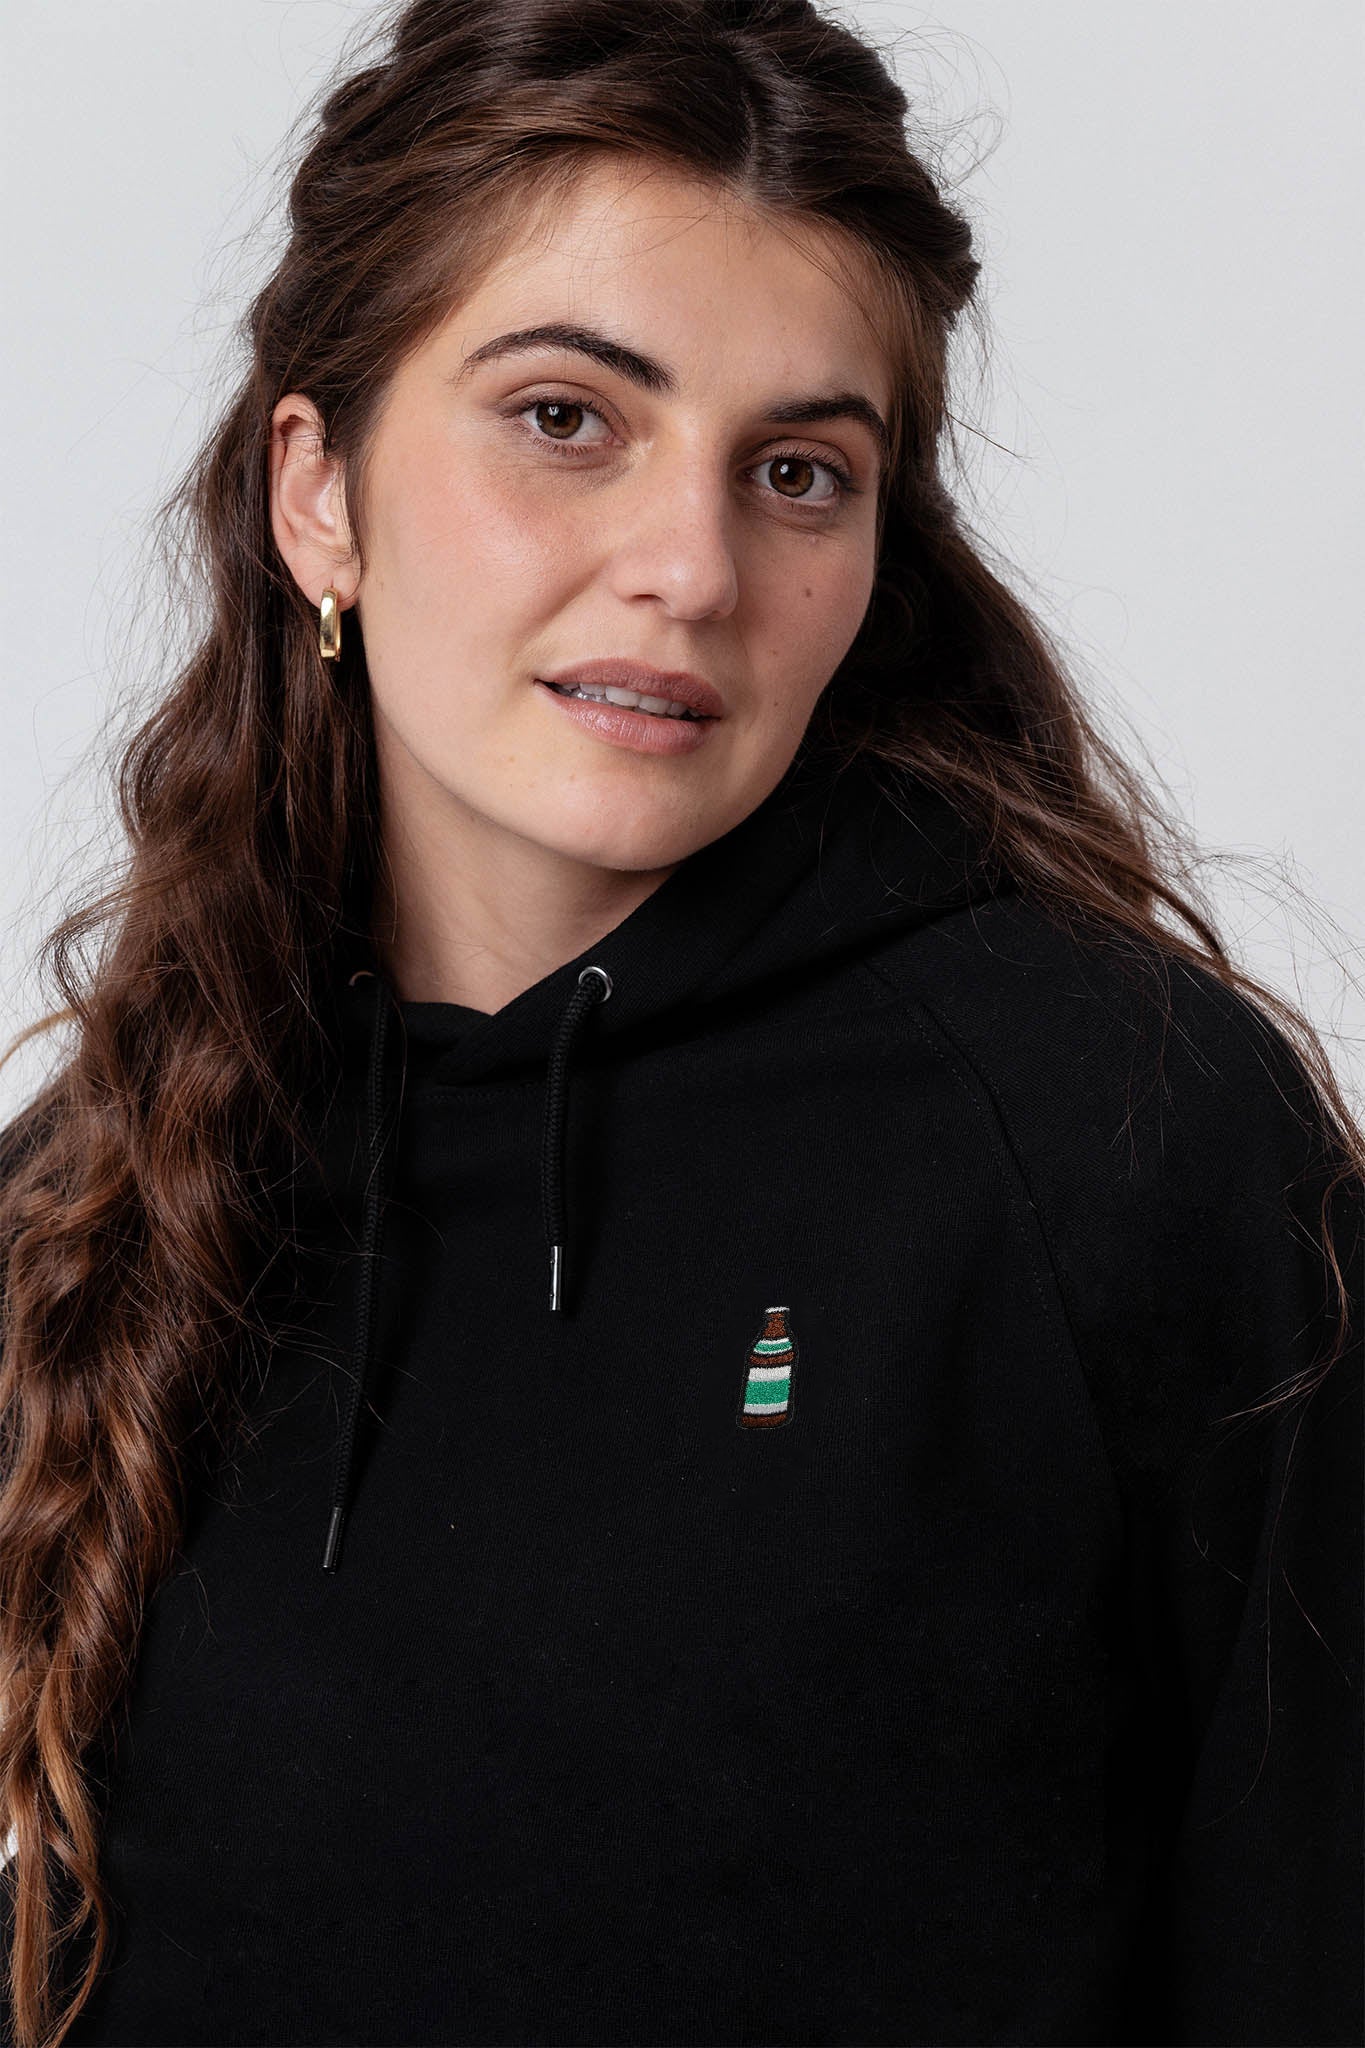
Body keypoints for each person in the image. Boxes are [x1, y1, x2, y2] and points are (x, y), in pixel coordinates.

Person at [0, 2, 1360, 2044]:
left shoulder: (1127, 1144)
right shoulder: (106, 1200)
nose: (689, 568)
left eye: (797, 473)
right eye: (565, 417)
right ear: (319, 495)